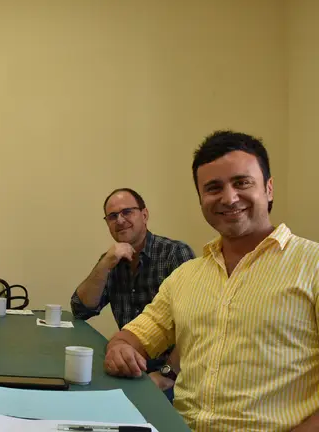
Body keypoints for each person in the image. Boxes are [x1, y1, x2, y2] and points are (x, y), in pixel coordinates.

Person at [104, 131, 319, 431]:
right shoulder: (186, 276)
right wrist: (120, 351)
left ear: (269, 189)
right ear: (201, 200)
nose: (229, 198)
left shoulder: (313, 265)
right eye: (214, 188)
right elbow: (129, 338)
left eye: (242, 182)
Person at [71, 188, 194, 401]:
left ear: (144, 215)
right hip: (129, 366)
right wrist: (106, 263)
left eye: (127, 212)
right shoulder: (112, 259)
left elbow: (193, 325)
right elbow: (81, 309)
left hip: (172, 373)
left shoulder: (175, 253)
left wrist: (167, 375)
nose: (120, 220)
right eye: (112, 216)